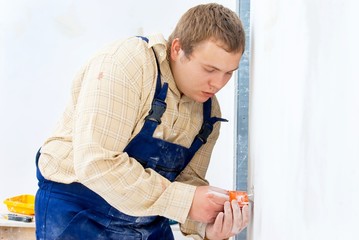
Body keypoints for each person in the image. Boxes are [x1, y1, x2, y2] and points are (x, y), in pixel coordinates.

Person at [35, 3, 248, 240]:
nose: (218, 83)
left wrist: (208, 228)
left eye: (229, 73)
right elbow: (96, 163)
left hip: (146, 224)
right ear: (177, 49)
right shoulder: (128, 64)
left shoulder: (208, 111)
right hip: (80, 211)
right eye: (210, 69)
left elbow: (185, 183)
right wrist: (187, 202)